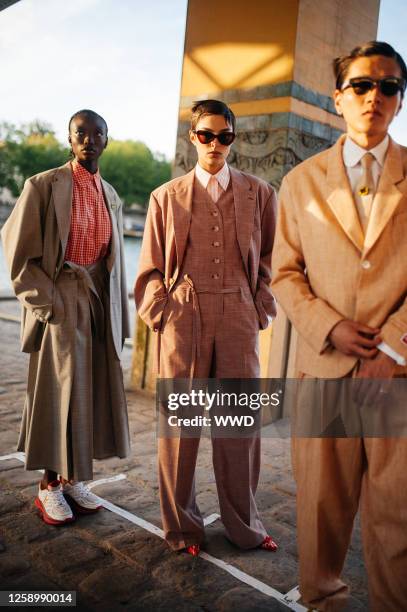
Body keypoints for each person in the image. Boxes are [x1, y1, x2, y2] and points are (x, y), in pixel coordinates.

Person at [271, 41, 407, 611]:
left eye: (389, 87)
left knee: (397, 518)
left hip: (395, 382)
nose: (374, 96)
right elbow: (283, 274)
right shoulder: (301, 182)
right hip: (322, 372)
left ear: (399, 102)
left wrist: (394, 348)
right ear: (338, 97)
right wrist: (328, 326)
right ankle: (323, 602)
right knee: (321, 513)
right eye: (362, 85)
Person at [135, 99, 278, 556]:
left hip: (238, 315)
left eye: (224, 136)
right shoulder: (166, 196)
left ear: (233, 139)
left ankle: (245, 526)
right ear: (193, 138)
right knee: (180, 427)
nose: (215, 144)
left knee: (238, 427)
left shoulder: (260, 193)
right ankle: (182, 529)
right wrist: (163, 310)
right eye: (206, 135)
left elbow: (273, 259)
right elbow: (150, 267)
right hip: (184, 319)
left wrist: (259, 307)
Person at [1, 109, 130, 525]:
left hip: (97, 297)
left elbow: (115, 262)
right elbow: (18, 252)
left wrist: (118, 316)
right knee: (59, 392)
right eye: (81, 133)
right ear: (70, 140)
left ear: (106, 141)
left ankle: (75, 479)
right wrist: (50, 303)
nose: (89, 139)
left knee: (91, 390)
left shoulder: (110, 192)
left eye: (97, 134)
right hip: (61, 295)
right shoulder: (42, 185)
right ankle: (48, 485)